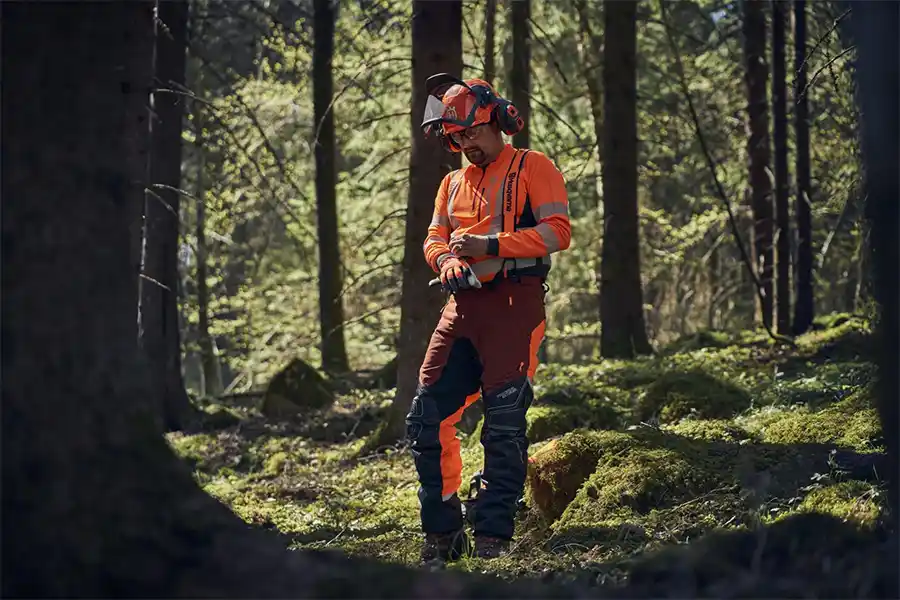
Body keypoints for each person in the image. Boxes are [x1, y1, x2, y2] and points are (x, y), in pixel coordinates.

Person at [405, 73, 572, 563]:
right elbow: (434, 237)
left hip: (515, 306)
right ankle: (443, 532)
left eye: (472, 134)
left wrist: (491, 246)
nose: (465, 145)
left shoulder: (533, 166)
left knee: (503, 423)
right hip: (462, 308)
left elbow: (558, 231)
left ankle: (494, 538)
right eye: (456, 139)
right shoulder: (451, 183)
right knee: (426, 417)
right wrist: (448, 261)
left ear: (496, 122)